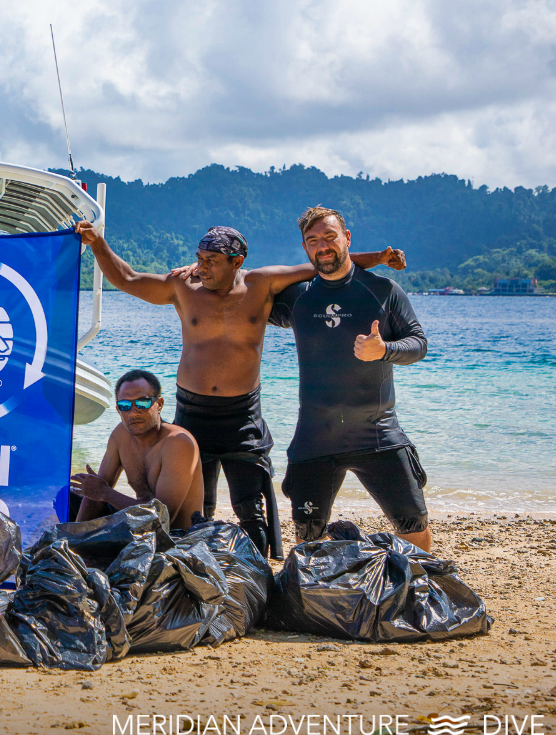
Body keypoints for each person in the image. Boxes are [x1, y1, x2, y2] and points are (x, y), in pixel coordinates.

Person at [74, 220, 404, 558]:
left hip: (242, 415)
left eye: (211, 261)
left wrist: (378, 257)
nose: (201, 267)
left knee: (251, 509)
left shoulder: (261, 284)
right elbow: (127, 279)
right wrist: (98, 244)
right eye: (199, 258)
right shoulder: (183, 286)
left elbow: (323, 264)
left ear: (237, 262)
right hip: (193, 413)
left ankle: (255, 576)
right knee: (196, 510)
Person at [269, 206, 431, 550]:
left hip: (377, 433)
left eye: (330, 236)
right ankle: (313, 599)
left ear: (347, 239)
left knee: (413, 524)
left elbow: (418, 344)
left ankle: (418, 593)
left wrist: (384, 349)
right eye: (313, 240)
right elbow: (242, 295)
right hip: (315, 437)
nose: (322, 246)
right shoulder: (297, 297)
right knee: (307, 538)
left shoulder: (383, 289)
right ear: (305, 249)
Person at [70, 370, 203, 529]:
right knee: (72, 497)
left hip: (175, 536)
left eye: (142, 403)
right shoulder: (121, 436)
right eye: (125, 406)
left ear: (159, 405)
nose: (133, 413)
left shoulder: (177, 442)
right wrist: (74, 536)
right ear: (119, 410)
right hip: (139, 525)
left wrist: (105, 493)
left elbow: (163, 518)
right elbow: (95, 491)